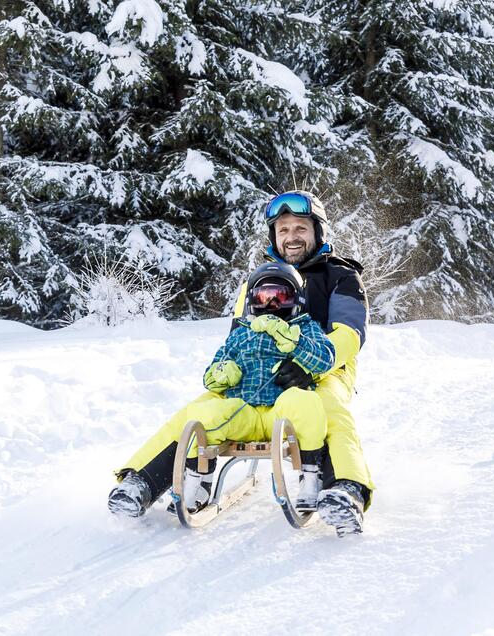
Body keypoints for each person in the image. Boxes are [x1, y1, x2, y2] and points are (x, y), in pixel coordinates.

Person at [109, 190, 374, 536]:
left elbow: (349, 335)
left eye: (300, 229)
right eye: (283, 230)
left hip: (325, 369)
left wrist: (309, 365)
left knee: (328, 408)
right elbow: (238, 332)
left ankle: (347, 490)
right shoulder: (258, 280)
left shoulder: (341, 276)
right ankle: (140, 481)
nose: (291, 237)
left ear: (317, 232)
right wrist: (227, 372)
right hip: (257, 370)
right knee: (202, 407)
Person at [108, 262, 336, 519]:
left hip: (282, 411)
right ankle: (200, 481)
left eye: (280, 297)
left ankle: (310, 478)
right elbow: (211, 374)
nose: (271, 305)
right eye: (264, 297)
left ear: (296, 301)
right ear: (253, 301)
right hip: (244, 412)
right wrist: (222, 373)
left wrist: (294, 341)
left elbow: (327, 358)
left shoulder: (305, 328)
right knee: (204, 414)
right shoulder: (241, 334)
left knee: (306, 402)